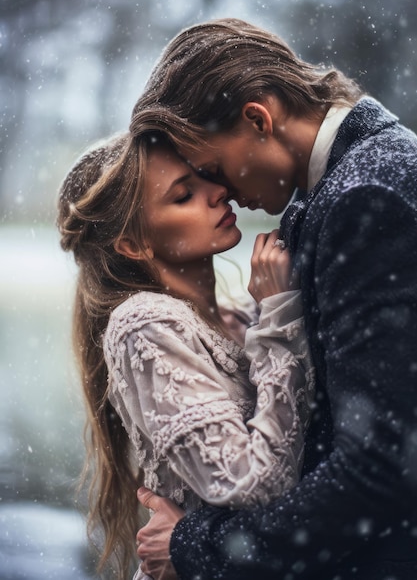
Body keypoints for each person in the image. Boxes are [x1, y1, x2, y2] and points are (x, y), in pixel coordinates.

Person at [130, 18, 417, 580]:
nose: (222, 192)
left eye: (211, 169)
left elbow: (380, 467)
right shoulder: (341, 185)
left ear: (258, 118)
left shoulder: (366, 196)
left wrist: (197, 546)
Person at [57, 129, 316, 580]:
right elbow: (256, 484)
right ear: (134, 245)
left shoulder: (240, 315)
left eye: (204, 177)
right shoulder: (143, 325)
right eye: (184, 195)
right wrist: (279, 315)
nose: (219, 192)